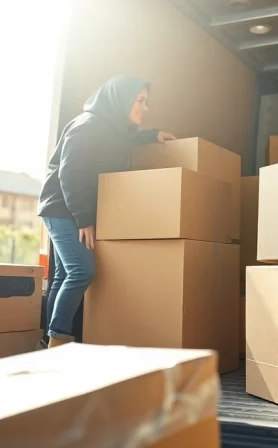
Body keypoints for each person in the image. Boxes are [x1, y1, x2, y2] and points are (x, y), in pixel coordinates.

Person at [37, 75, 175, 347]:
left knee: (64, 275)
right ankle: (58, 341)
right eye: (140, 101)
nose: (145, 108)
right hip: (61, 207)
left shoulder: (109, 128)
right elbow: (69, 174)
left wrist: (153, 134)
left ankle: (47, 340)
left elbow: (125, 138)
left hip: (68, 207)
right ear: (121, 100)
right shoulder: (88, 127)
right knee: (81, 271)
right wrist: (84, 219)